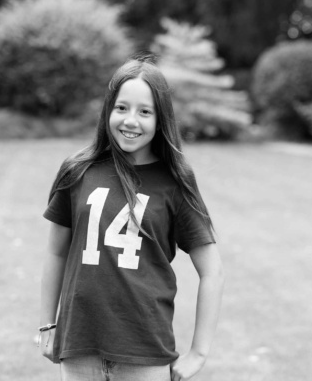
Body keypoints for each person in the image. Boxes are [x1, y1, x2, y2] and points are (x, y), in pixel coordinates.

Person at [39, 53, 224, 381]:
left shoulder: (174, 182)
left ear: (160, 118)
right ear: (108, 109)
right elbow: (55, 252)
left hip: (145, 354)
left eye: (144, 112)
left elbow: (212, 271)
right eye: (121, 108)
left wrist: (199, 352)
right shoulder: (77, 170)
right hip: (79, 348)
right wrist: (48, 324)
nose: (130, 121)